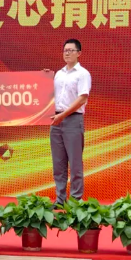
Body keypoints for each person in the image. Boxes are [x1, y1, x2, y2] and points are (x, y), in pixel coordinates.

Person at [50, 39, 91, 205]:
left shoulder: (82, 74)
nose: (67, 53)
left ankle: (75, 200)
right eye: (65, 50)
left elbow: (82, 99)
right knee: (58, 163)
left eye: (71, 50)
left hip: (73, 120)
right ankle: (60, 199)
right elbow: (48, 94)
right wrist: (44, 77)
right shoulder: (58, 74)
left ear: (79, 53)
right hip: (56, 121)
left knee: (75, 163)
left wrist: (63, 115)